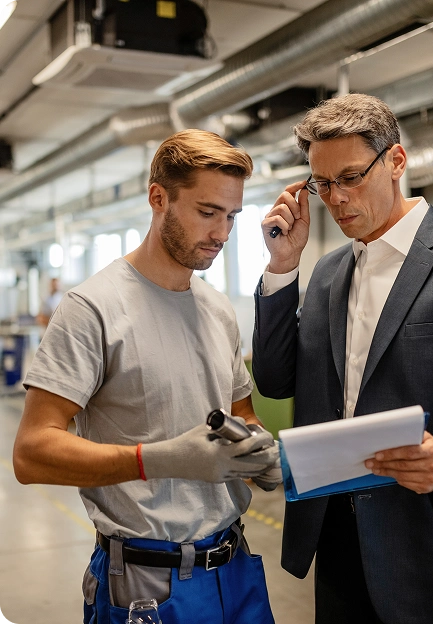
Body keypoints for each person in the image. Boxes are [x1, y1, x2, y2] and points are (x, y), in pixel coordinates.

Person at [252, 94, 433, 624]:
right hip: (339, 538)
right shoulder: (325, 273)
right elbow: (275, 382)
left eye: (350, 177)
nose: (336, 198)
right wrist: (282, 266)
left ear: (395, 160)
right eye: (322, 185)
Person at [13, 129, 281, 624]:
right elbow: (32, 454)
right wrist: (159, 459)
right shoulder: (91, 309)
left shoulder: (218, 310)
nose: (222, 233)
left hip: (235, 568)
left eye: (232, 216)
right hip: (147, 584)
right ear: (158, 198)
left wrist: (258, 454)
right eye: (207, 212)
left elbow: (243, 415)